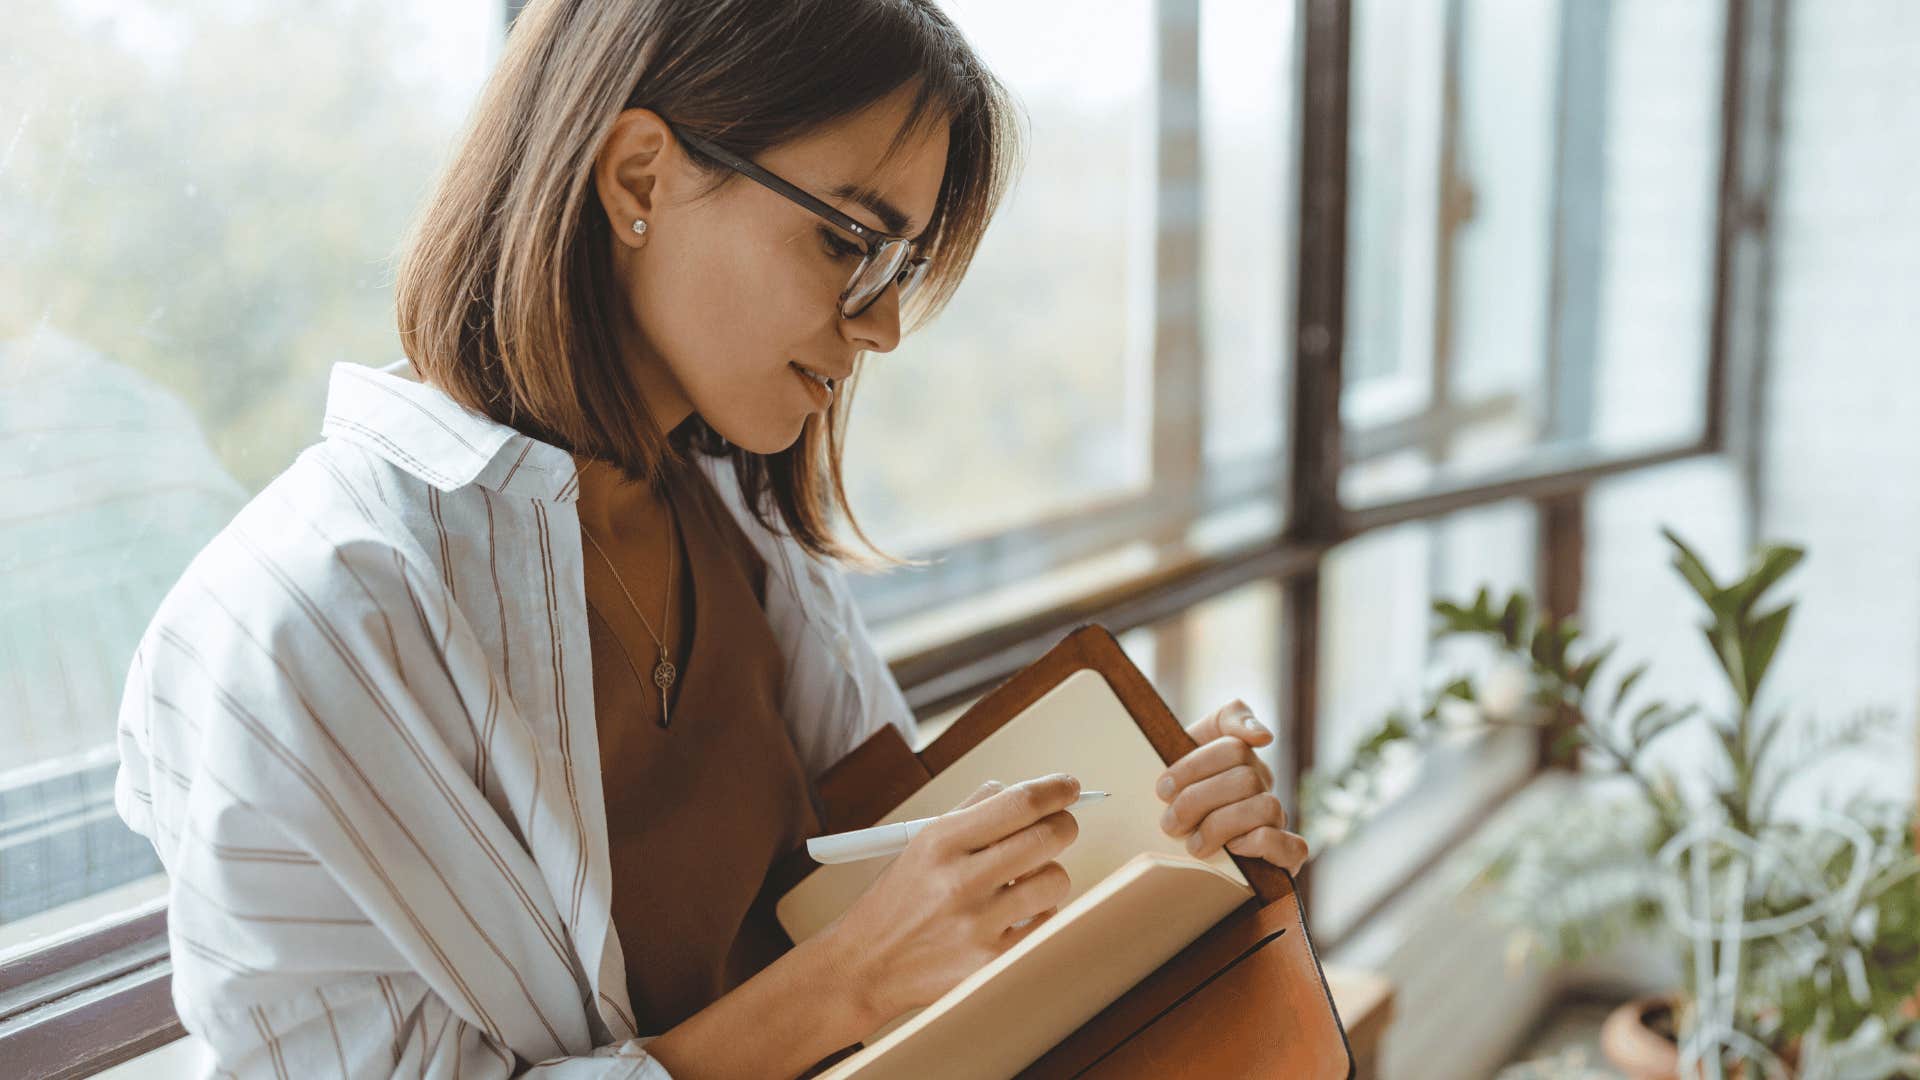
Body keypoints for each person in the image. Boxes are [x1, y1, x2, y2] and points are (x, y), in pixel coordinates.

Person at [112, 1, 1309, 1076]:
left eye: (903, 264)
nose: (886, 325)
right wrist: (836, 992)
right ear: (639, 177)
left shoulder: (737, 526)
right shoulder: (298, 625)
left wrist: (1154, 845)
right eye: (849, 242)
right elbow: (856, 966)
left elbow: (890, 903)